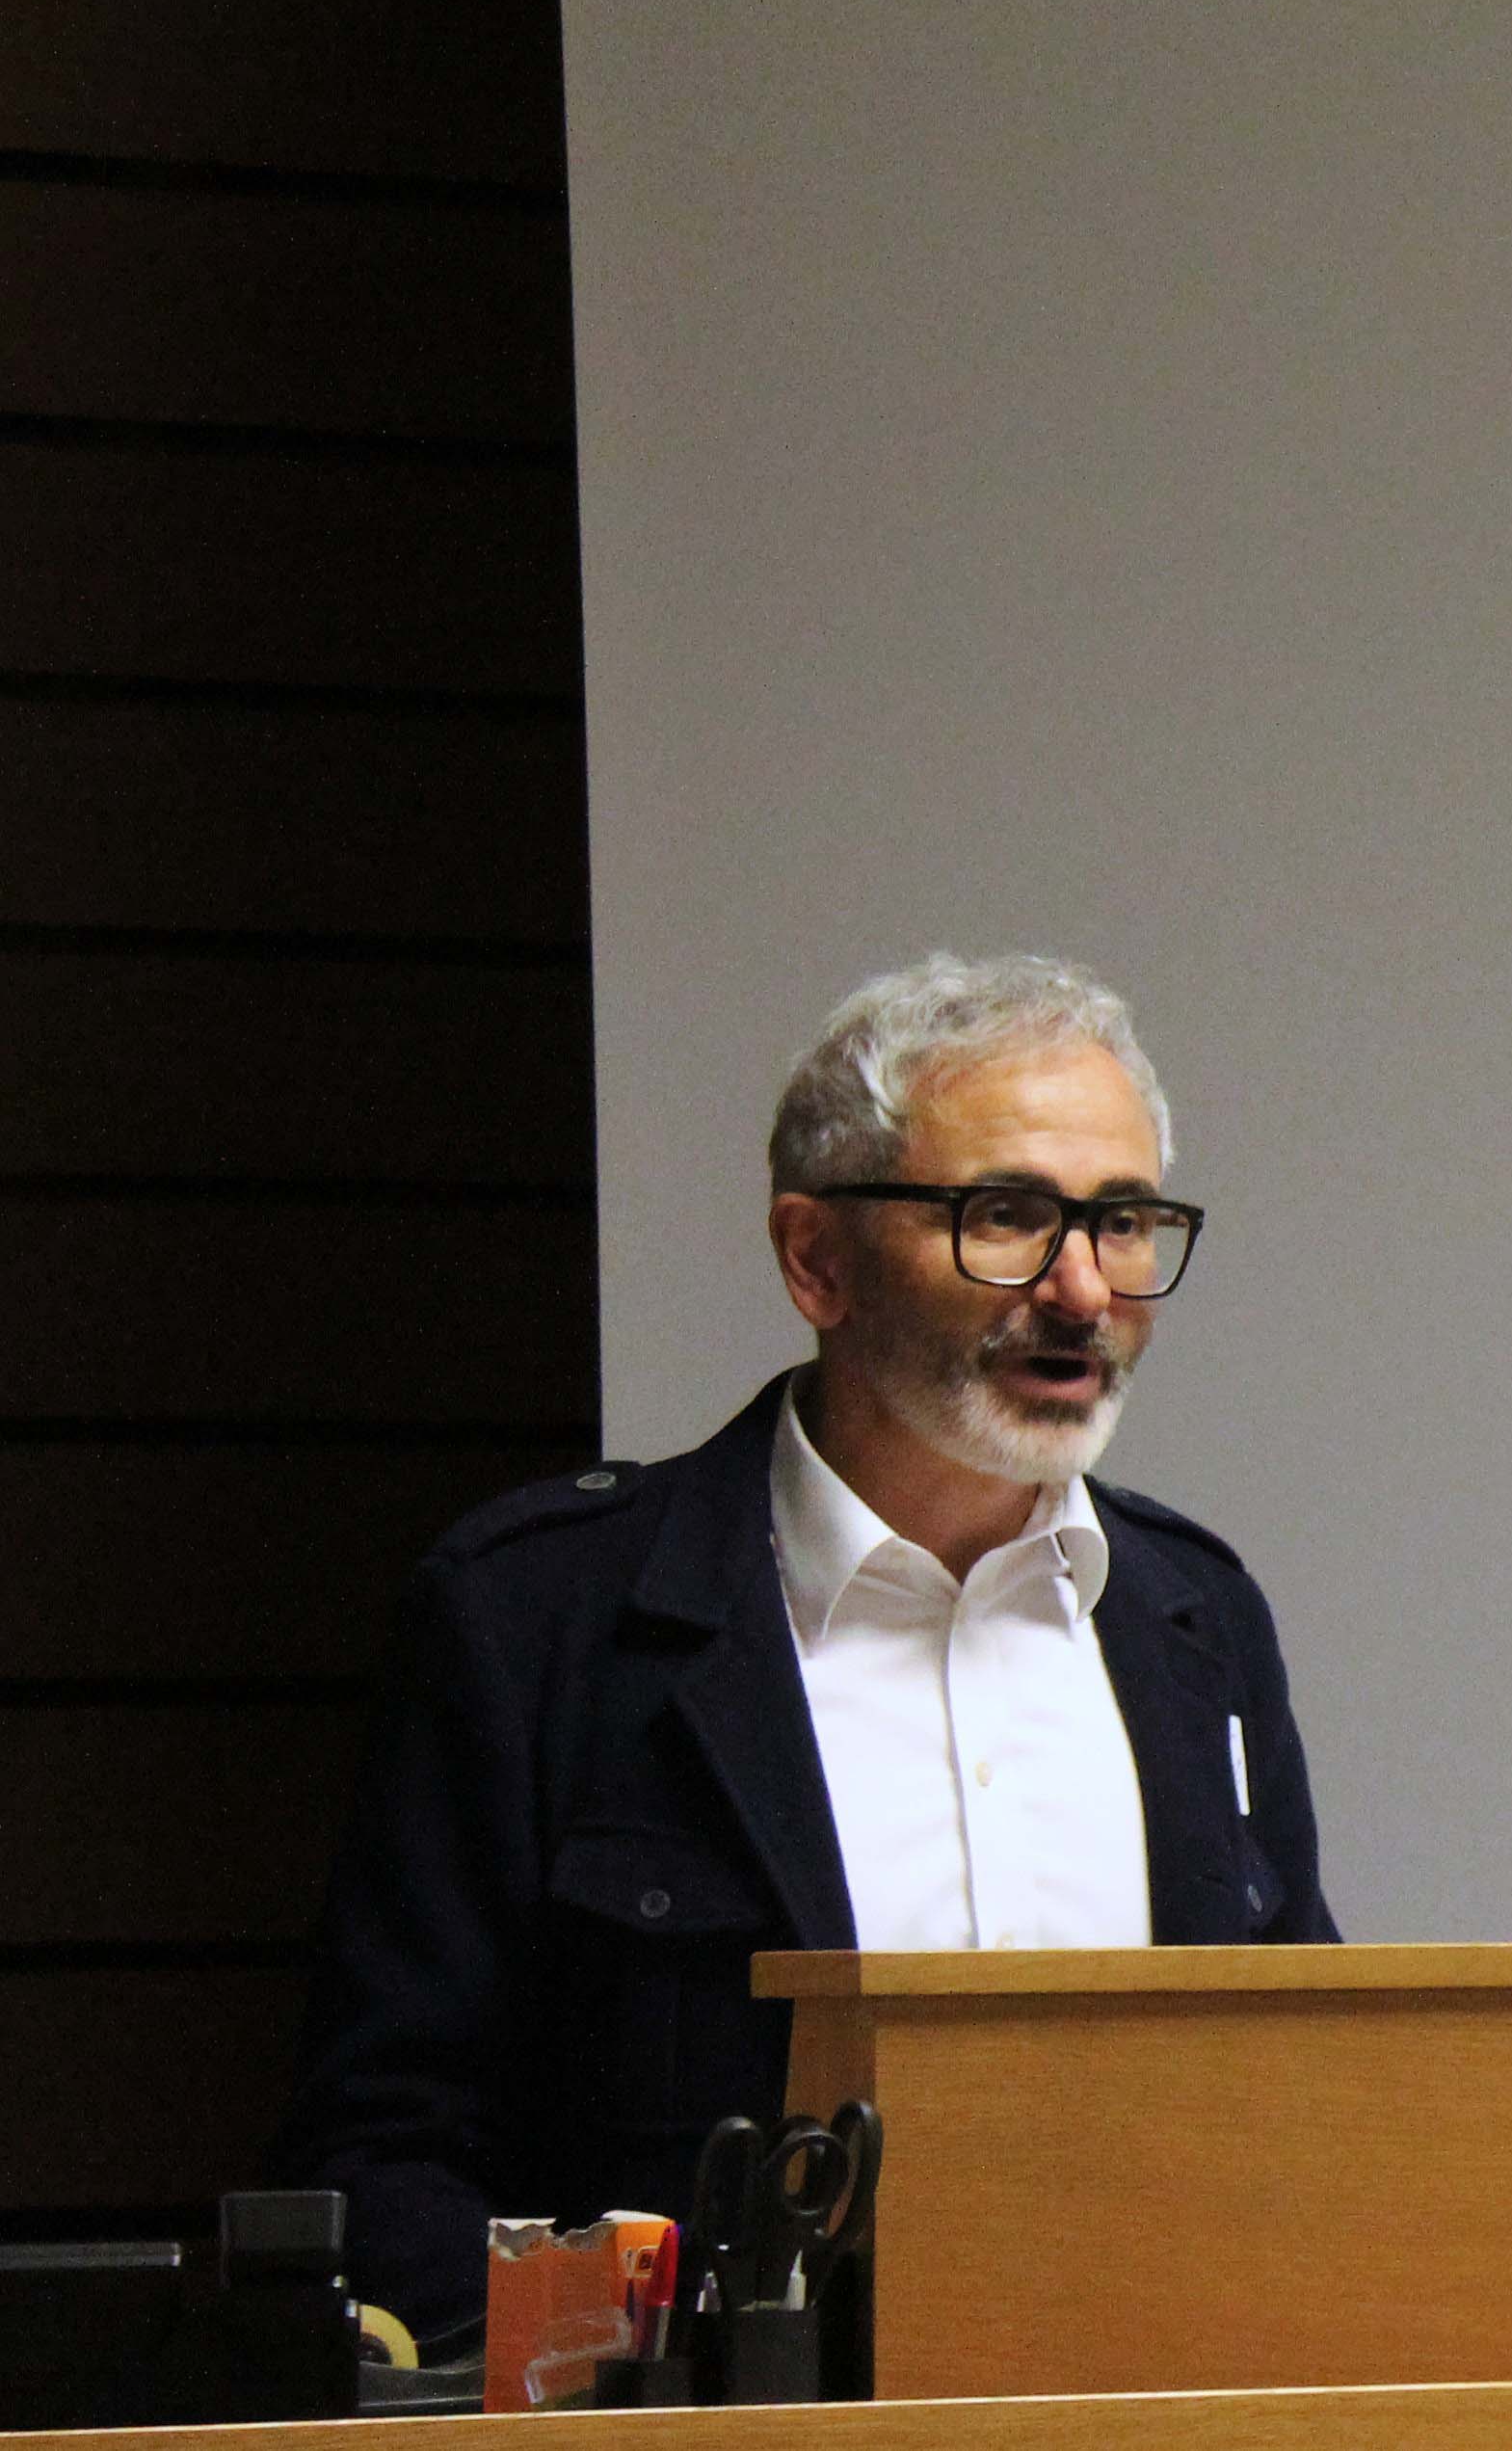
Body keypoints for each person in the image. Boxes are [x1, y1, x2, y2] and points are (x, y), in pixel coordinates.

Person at [279, 953, 1334, 2343]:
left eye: (1124, 1220)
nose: (1082, 1291)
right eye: (1006, 1215)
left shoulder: (1195, 1618)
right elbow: (383, 2154)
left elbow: (1308, 2098)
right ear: (815, 1259)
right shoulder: (540, 1620)